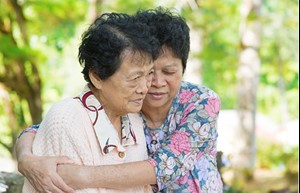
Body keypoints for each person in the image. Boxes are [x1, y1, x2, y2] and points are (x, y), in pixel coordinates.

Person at [16, 7, 223, 193]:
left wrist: (80, 175)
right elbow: (43, 127)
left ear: (183, 69)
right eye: (147, 73)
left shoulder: (201, 102)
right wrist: (26, 160)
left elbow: (165, 166)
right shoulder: (128, 102)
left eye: (169, 71)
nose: (155, 82)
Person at [20, 11, 159, 193]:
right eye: (134, 78)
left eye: (149, 74)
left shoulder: (133, 117)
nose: (144, 87)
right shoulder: (67, 119)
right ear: (97, 76)